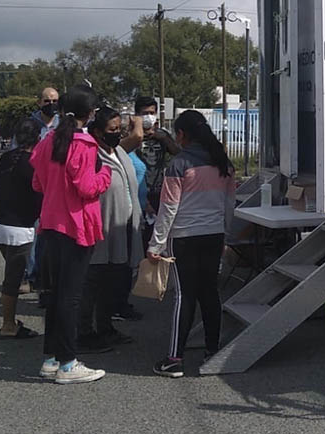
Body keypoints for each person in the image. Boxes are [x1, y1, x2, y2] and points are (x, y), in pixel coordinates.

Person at [30, 88, 112, 385]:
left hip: (50, 224)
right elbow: (87, 187)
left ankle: (52, 358)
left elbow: (37, 182)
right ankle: (67, 363)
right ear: (89, 114)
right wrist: (105, 176)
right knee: (71, 297)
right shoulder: (85, 144)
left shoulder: (49, 140)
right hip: (77, 226)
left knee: (54, 295)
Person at [147, 109, 237, 378]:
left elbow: (168, 209)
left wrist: (156, 244)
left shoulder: (179, 164)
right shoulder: (224, 163)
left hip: (184, 237)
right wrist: (225, 234)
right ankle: (212, 349)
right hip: (214, 234)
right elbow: (229, 205)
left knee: (184, 295)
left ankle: (174, 358)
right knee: (210, 292)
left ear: (183, 135)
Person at [78, 108, 144, 350]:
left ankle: (105, 328)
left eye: (119, 129)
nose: (116, 134)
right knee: (92, 284)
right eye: (111, 130)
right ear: (97, 132)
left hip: (123, 227)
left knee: (111, 284)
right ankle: (84, 333)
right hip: (100, 229)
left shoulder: (118, 152)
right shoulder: (91, 154)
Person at [0, 117, 43, 339]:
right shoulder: (34, 163)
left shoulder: (6, 158)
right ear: (38, 138)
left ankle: (10, 321)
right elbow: (39, 197)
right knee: (13, 278)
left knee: (15, 275)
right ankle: (8, 325)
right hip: (19, 229)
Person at [24, 85, 61, 289]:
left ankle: (45, 275)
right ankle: (31, 274)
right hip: (34, 185)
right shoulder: (30, 124)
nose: (51, 104)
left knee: (49, 235)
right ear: (39, 102)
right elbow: (19, 150)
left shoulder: (62, 125)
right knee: (33, 233)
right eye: (47, 101)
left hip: (54, 187)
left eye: (55, 100)